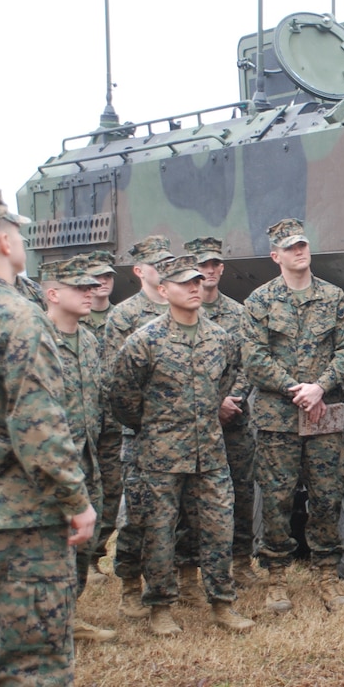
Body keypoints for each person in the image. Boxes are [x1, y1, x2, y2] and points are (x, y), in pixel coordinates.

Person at [108, 255, 254, 636]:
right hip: (160, 453)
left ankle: (222, 603)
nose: (195, 287)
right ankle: (160, 607)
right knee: (159, 531)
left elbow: (229, 378)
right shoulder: (145, 341)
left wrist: (202, 414)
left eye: (197, 281)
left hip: (210, 451)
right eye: (185, 283)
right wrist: (155, 425)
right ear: (162, 290)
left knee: (219, 526)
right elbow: (122, 397)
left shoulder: (220, 339)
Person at [0, 201, 97, 684]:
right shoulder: (19, 317)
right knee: (31, 663)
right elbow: (37, 424)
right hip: (21, 518)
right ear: (4, 241)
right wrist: (75, 500)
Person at [243, 218, 344, 613]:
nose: (299, 251)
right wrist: (299, 390)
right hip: (279, 416)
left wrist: (320, 387)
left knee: (328, 495)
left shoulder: (336, 298)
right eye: (290, 247)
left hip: (324, 413)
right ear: (275, 256)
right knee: (277, 497)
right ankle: (276, 576)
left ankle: (327, 573)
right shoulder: (259, 302)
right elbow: (254, 359)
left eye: (303, 244)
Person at [39, 255, 118, 644]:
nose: (91, 293)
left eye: (92, 286)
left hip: (88, 457)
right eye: (80, 288)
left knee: (85, 543)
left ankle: (70, 616)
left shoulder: (88, 340)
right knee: (50, 545)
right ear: (52, 294)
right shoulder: (37, 341)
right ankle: (46, 624)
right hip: (48, 462)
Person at [173, 236, 260, 593]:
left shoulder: (238, 314)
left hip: (233, 420)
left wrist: (230, 400)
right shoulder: (181, 313)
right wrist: (211, 404)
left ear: (222, 268)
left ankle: (241, 562)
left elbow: (247, 362)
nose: (208, 272)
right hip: (192, 424)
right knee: (189, 497)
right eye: (201, 267)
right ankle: (187, 569)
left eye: (214, 265)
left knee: (240, 491)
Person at [103, 235, 173, 619]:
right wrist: (144, 421)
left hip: (183, 433)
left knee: (181, 514)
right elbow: (117, 381)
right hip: (143, 433)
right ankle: (130, 584)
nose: (163, 267)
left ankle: (179, 582)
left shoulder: (182, 305)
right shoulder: (125, 316)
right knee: (139, 515)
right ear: (139, 270)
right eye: (156, 262)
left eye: (168, 261)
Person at [83, 249, 120, 582]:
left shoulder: (121, 317)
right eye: (95, 278)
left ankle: (95, 555)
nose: (102, 283)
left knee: (112, 488)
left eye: (107, 276)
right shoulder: (72, 318)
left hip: (114, 421)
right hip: (82, 421)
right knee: (82, 487)